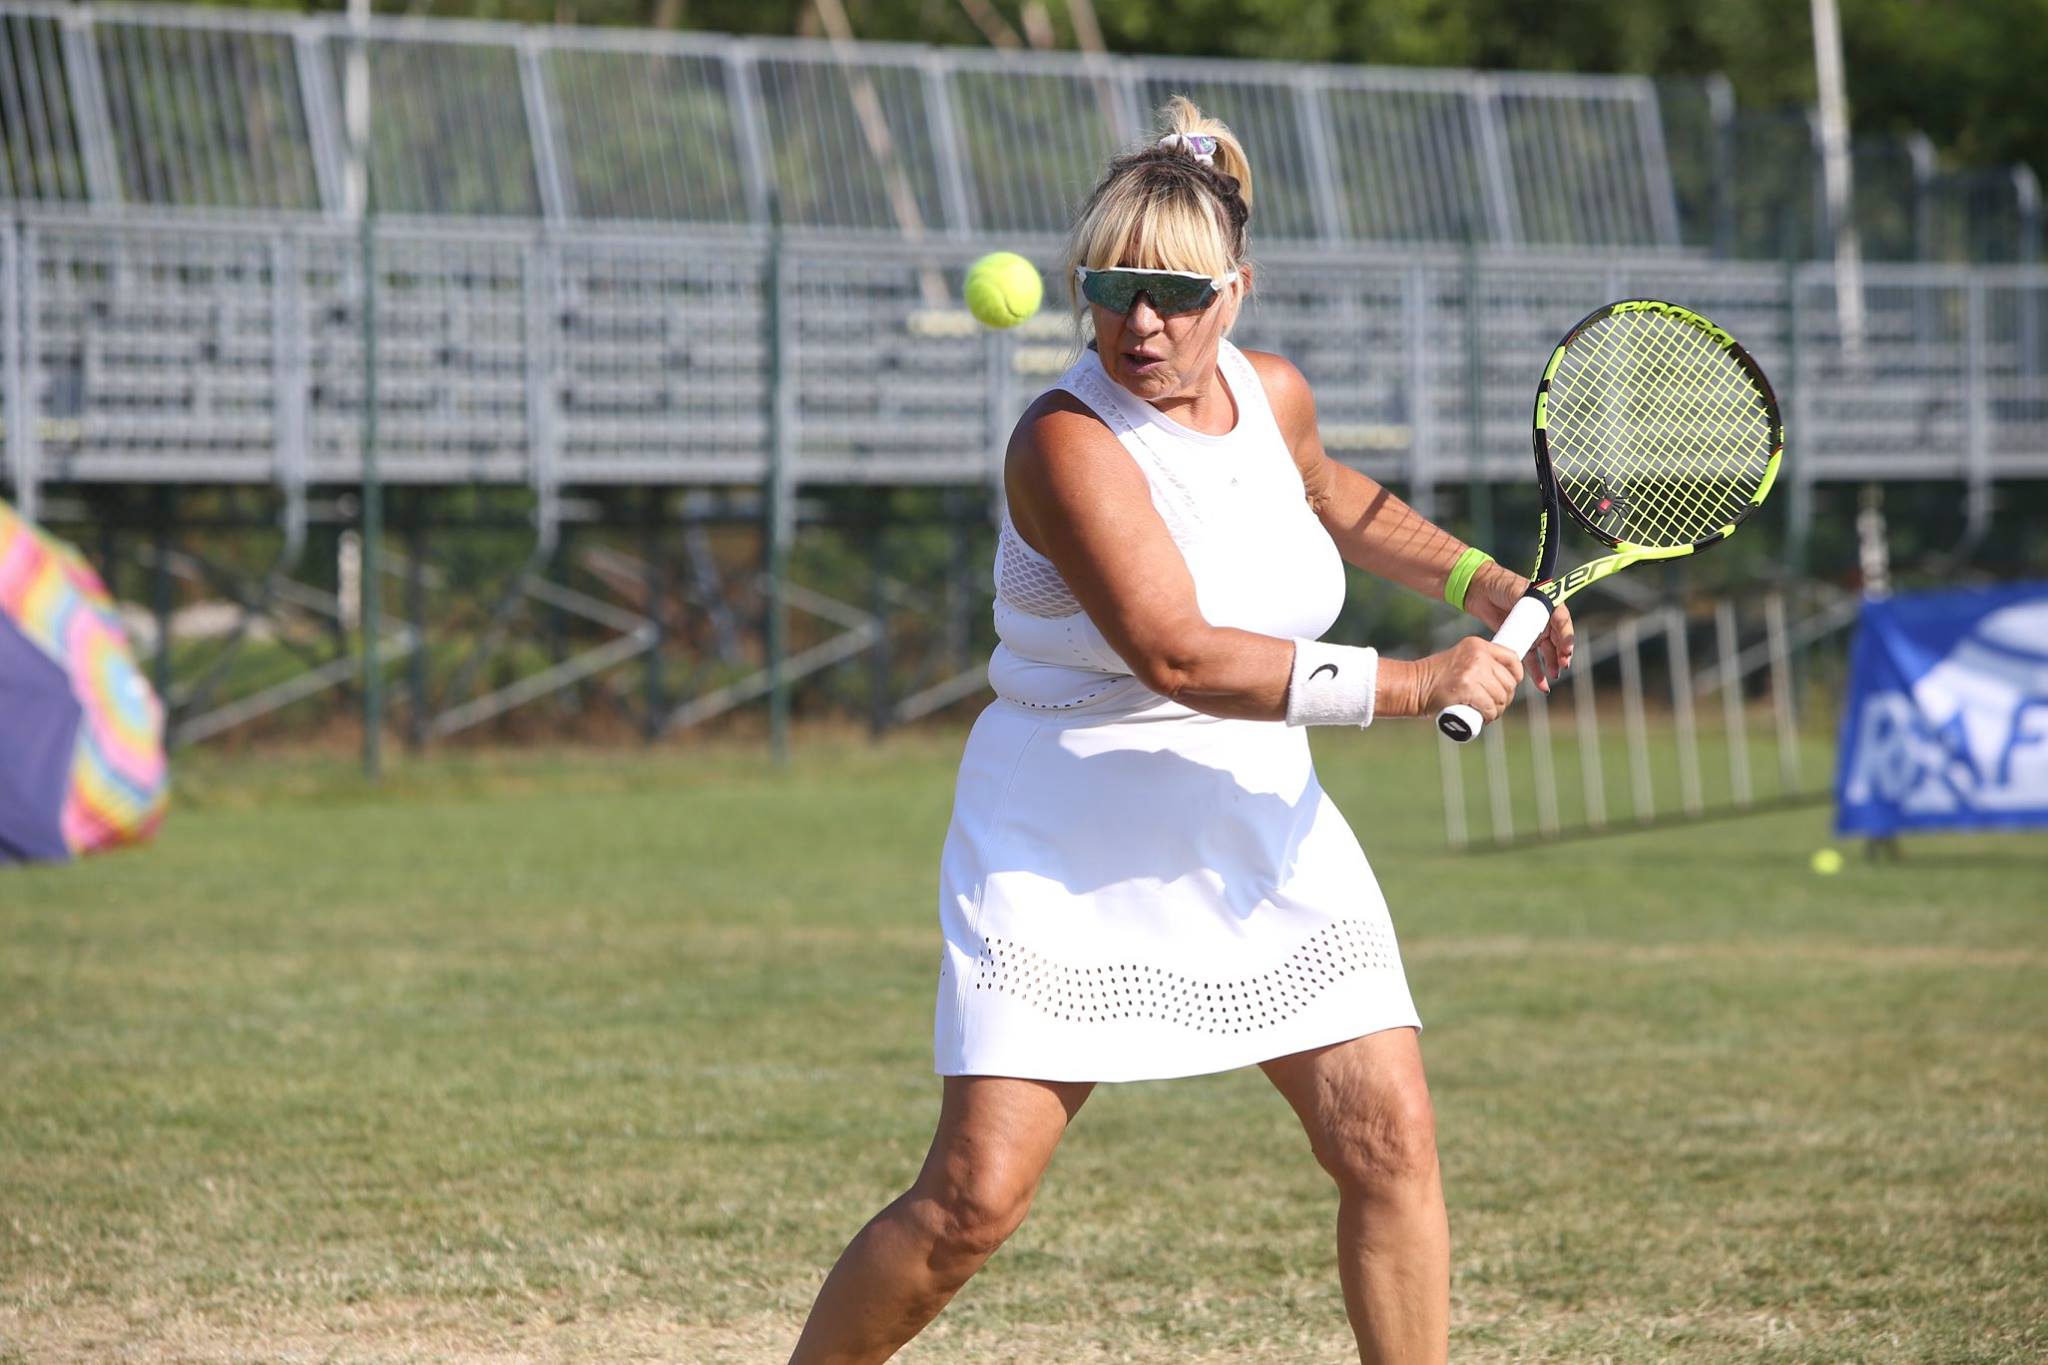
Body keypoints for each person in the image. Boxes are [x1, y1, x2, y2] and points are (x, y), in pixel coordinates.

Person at [787, 96, 1574, 1365]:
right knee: (970, 1203)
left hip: (1258, 813)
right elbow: (1177, 653)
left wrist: (1473, 579)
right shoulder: (1066, 440)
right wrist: (1419, 680)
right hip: (1067, 820)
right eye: (1111, 289)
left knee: (1387, 1142)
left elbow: (1334, 497)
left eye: (1173, 293)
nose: (1139, 323)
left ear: (1235, 291)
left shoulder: (1270, 395)